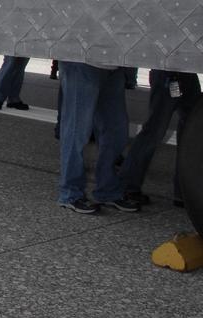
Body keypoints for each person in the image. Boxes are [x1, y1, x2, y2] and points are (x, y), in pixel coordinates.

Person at [57, 61, 140, 214]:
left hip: (113, 65)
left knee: (116, 131)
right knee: (77, 131)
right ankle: (70, 193)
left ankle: (108, 190)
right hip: (83, 62)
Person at [119, 69, 202, 207]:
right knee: (156, 131)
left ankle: (183, 191)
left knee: (186, 133)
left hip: (178, 73)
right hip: (171, 74)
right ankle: (128, 185)